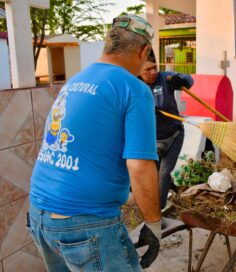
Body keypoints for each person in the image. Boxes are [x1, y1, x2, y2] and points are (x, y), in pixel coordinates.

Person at [28, 15, 161, 271]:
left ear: (108, 44)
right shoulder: (134, 88)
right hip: (86, 223)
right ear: (144, 51)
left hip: (39, 213)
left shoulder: (77, 80)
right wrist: (153, 222)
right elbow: (140, 166)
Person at [139, 51, 194, 211]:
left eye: (154, 67)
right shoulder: (136, 86)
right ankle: (162, 198)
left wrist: (182, 80)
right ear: (139, 72)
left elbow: (189, 80)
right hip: (151, 139)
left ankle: (158, 211)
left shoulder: (165, 78)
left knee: (163, 175)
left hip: (174, 134)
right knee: (153, 176)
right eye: (147, 70)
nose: (153, 72)